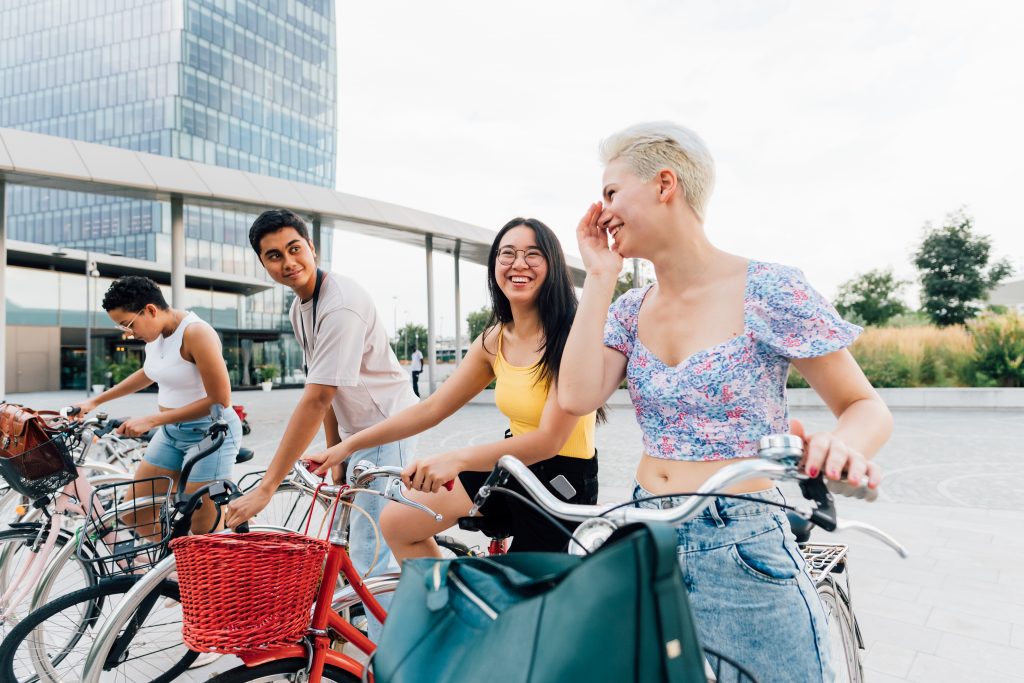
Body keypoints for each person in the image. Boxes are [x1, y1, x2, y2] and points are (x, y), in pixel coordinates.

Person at [557, 122, 893, 683]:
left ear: (665, 184)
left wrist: (841, 447)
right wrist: (598, 276)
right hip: (645, 536)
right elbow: (576, 395)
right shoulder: (629, 308)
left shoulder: (767, 288)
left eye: (612, 192)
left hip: (741, 542)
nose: (602, 209)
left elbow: (865, 405)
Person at [302, 218, 599, 560]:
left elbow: (549, 441)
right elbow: (431, 409)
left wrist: (454, 459)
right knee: (398, 522)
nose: (519, 264)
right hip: (512, 467)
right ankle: (447, 608)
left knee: (520, 599)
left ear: (552, 266)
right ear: (494, 267)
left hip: (561, 480)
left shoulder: (570, 336)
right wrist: (346, 447)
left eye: (533, 254)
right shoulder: (494, 339)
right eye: (508, 254)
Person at [224, 209, 417, 615]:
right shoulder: (301, 309)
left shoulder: (340, 305)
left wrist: (266, 488)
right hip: (359, 433)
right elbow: (324, 388)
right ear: (263, 264)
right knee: (351, 541)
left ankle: (382, 664)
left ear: (312, 248)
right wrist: (337, 453)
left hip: (388, 428)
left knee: (369, 552)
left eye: (295, 249)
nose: (288, 262)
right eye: (274, 256)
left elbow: (316, 397)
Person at [74, 276, 242, 535]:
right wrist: (95, 400)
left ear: (150, 310)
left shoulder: (195, 333)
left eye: (127, 324)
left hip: (210, 435)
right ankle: (176, 566)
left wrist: (151, 420)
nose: (128, 333)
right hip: (172, 433)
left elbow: (220, 399)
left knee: (204, 532)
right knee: (133, 514)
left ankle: (212, 563)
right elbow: (149, 372)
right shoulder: (155, 337)